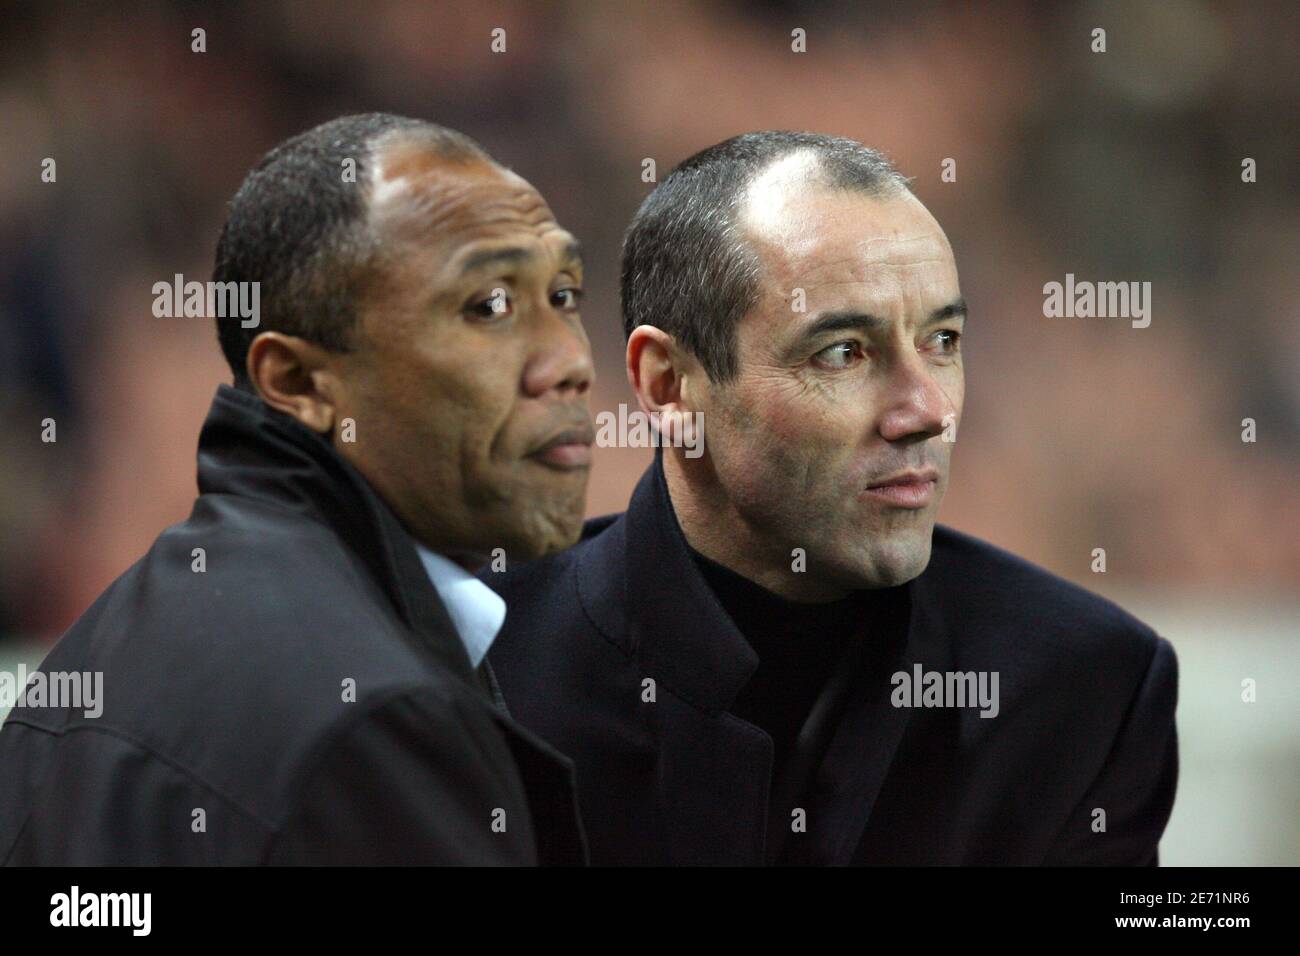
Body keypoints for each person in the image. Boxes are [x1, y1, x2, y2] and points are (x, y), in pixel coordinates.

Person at [484, 131, 1179, 865]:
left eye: (942, 341)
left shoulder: (1083, 685)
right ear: (668, 385)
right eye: (843, 352)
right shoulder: (478, 671)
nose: (927, 410)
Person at [0, 113, 595, 865]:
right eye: (489, 307)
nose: (569, 361)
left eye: (566, 296)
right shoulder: (374, 720)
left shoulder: (112, 637)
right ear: (300, 381)